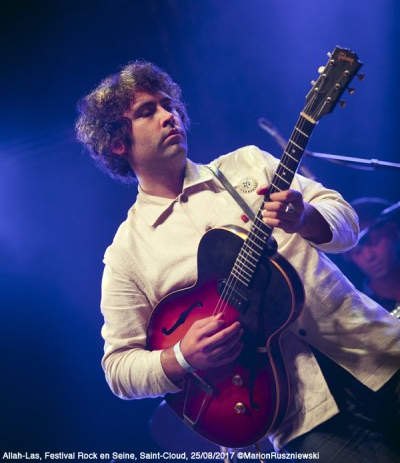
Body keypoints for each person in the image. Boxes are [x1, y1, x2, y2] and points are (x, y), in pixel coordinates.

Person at [76, 61, 400, 462]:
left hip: (379, 351)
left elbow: (345, 220)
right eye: (147, 111)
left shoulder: (247, 163)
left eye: (168, 105)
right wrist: (180, 357)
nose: (168, 116)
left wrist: (305, 218)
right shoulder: (127, 253)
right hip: (302, 418)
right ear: (117, 143)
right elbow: (119, 369)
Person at [343, 197, 400, 317]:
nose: (369, 256)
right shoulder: (361, 313)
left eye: (374, 241)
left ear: (393, 233)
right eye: (357, 251)